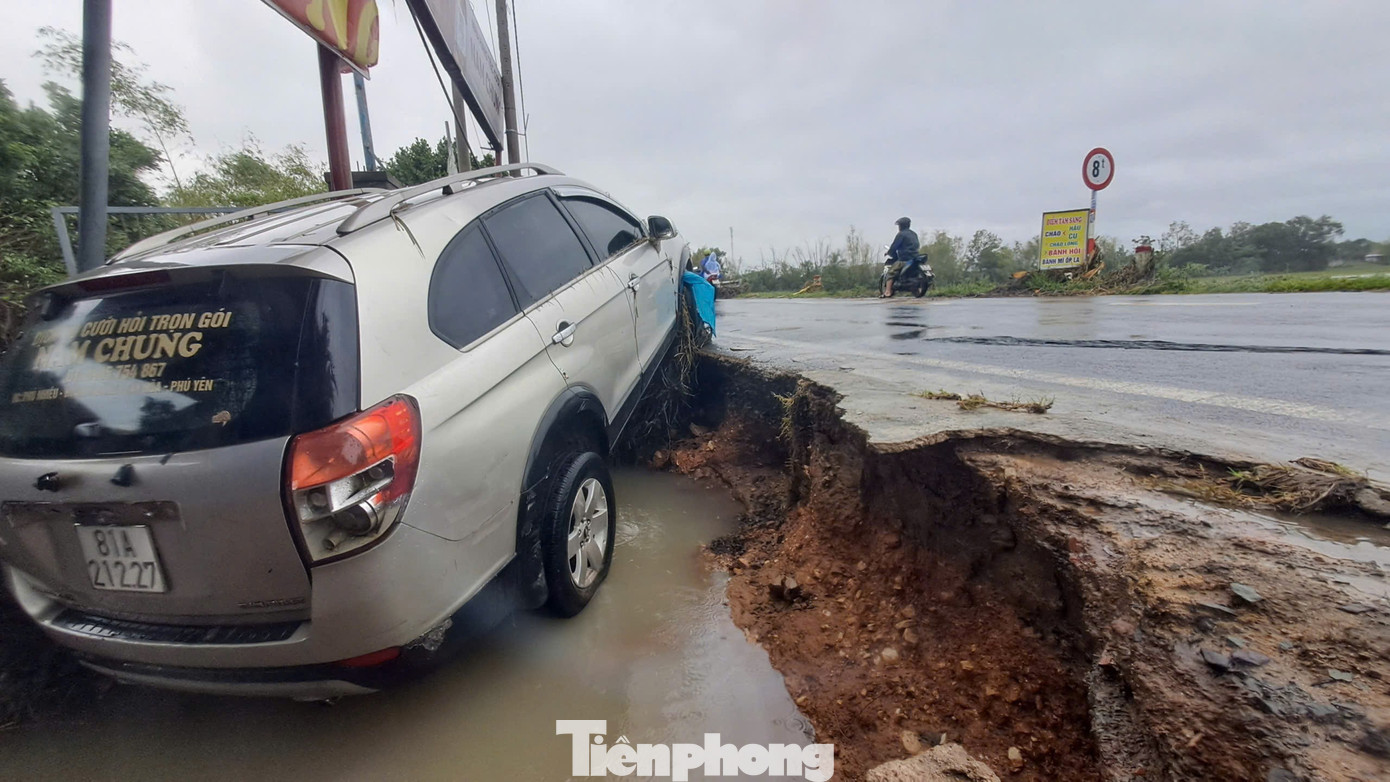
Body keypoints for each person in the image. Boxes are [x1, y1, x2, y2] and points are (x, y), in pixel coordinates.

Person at [881, 216, 919, 298]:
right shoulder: (914, 234)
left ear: (901, 226)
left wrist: (889, 252)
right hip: (915, 257)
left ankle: (887, 291)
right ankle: (917, 290)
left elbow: (894, 246)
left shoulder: (901, 234)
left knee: (891, 273)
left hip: (904, 259)